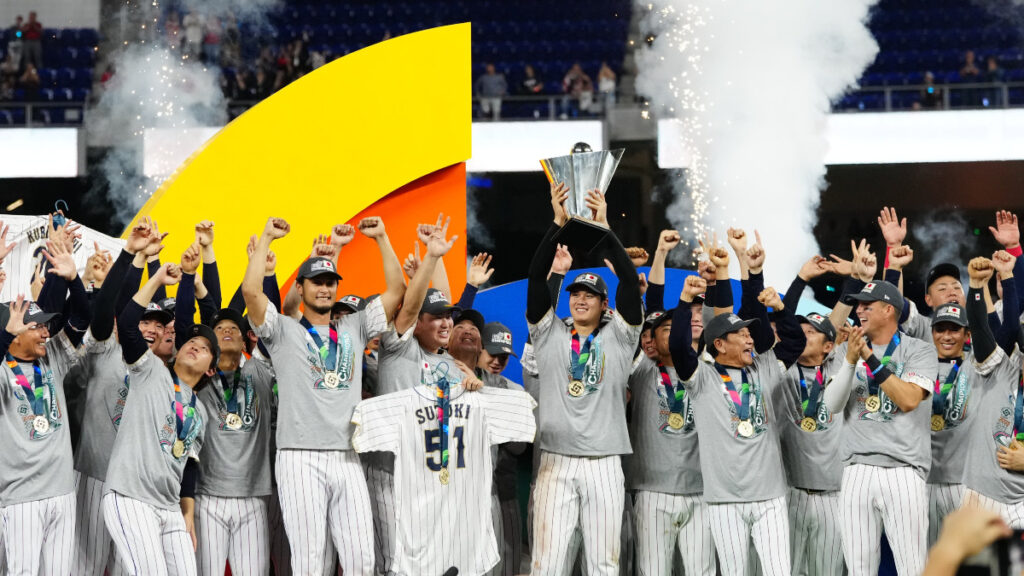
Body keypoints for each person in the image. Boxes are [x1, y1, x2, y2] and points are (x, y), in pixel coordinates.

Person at [242, 215, 405, 575]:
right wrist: (268, 237)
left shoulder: (355, 325)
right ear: (300, 288)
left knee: (362, 559)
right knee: (310, 561)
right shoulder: (282, 331)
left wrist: (381, 236)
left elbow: (396, 291)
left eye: (330, 282)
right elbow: (252, 293)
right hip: (299, 456)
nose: (324, 289)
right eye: (316, 282)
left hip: (347, 456)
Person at [668, 231, 807, 576]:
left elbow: (793, 341)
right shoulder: (701, 378)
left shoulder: (764, 369)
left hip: (771, 497)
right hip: (725, 500)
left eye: (749, 333)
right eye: (741, 334)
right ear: (719, 345)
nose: (749, 338)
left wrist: (779, 306)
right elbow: (678, 347)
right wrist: (685, 303)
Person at [525, 180, 642, 575]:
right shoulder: (548, 334)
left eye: (590, 295)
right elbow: (535, 277)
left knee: (604, 565)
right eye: (576, 293)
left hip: (605, 463)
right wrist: (557, 223)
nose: (580, 298)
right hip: (555, 462)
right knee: (547, 564)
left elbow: (628, 281)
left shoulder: (621, 337)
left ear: (604, 304)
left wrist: (605, 228)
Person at [823, 274, 938, 575]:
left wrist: (870, 359)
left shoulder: (919, 350)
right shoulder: (846, 350)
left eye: (866, 305)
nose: (858, 311)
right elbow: (832, 406)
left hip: (903, 469)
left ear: (888, 309)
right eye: (857, 306)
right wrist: (849, 361)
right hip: (856, 469)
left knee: (913, 567)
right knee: (858, 568)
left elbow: (909, 400)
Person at [71, 221, 167, 576]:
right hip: (95, 476)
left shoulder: (161, 371)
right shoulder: (107, 346)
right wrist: (133, 256)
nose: (152, 328)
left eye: (160, 324)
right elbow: (109, 307)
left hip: (136, 487)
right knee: (86, 569)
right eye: (146, 320)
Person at [0, 230, 91, 576]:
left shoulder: (50, 355)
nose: (45, 332)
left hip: (63, 492)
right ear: (13, 331)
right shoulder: (3, 371)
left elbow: (82, 318)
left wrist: (73, 278)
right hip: (22, 498)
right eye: (36, 327)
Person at [628, 229, 717, 576]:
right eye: (658, 332)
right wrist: (660, 254)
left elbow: (699, 325)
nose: (664, 335)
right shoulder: (641, 367)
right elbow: (652, 312)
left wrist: (711, 282)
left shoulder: (707, 367)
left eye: (671, 330)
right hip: (652, 490)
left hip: (700, 489)